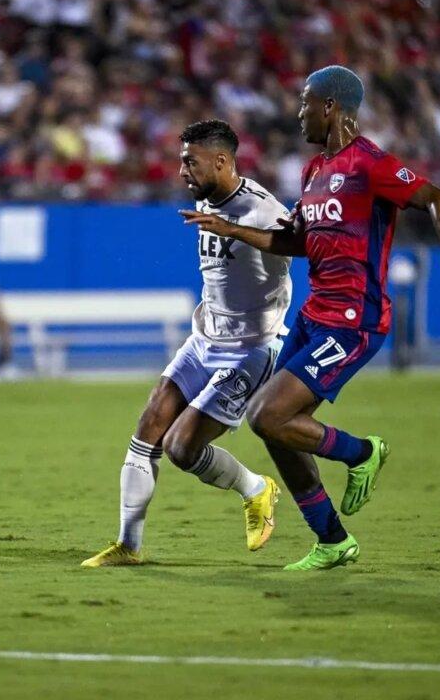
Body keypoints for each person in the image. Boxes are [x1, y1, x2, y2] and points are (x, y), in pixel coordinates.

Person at [182, 66, 440, 571]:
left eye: (306, 103)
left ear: (330, 107)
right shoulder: (313, 173)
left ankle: (361, 452)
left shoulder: (369, 164)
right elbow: (297, 243)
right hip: (314, 315)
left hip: (354, 320)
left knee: (268, 414)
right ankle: (331, 539)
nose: (299, 113)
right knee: (273, 426)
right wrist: (230, 228)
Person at [82, 120, 290, 567]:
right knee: (148, 427)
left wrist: (232, 230)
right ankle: (128, 546)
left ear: (221, 161)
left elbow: (303, 245)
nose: (182, 171)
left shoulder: (260, 208)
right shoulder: (207, 200)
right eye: (181, 161)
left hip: (252, 348)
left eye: (190, 162)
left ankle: (257, 489)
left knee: (181, 449)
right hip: (204, 337)